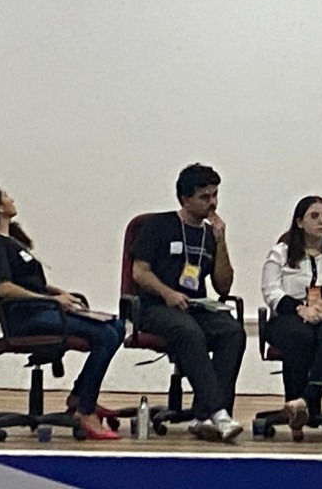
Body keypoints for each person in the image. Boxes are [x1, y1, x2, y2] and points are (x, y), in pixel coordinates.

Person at [0, 182, 125, 440]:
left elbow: (29, 283)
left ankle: (80, 396)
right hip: (25, 318)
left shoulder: (11, 242)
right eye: (5, 195)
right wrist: (51, 300)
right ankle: (84, 410)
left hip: (40, 310)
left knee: (116, 326)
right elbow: (4, 287)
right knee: (106, 334)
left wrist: (57, 292)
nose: (11, 198)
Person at [130, 163, 246, 442]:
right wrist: (167, 292)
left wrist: (221, 242)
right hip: (156, 306)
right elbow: (139, 272)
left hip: (195, 306)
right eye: (205, 197)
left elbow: (223, 285)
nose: (212, 203)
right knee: (189, 332)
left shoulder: (209, 234)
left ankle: (203, 416)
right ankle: (218, 412)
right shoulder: (159, 225)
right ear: (185, 199)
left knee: (233, 331)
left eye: (215, 195)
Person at [261, 195, 322, 431]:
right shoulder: (280, 253)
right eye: (314, 216)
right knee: (300, 335)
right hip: (290, 317)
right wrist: (300, 308)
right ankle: (302, 404)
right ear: (299, 222)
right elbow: (271, 291)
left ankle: (303, 402)